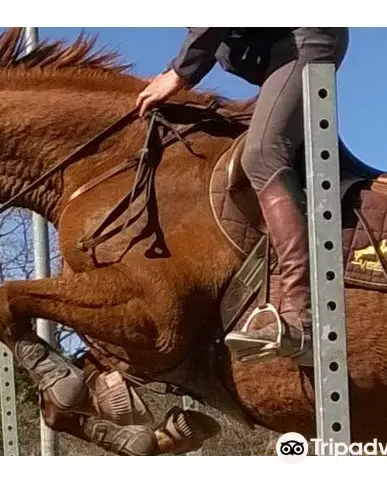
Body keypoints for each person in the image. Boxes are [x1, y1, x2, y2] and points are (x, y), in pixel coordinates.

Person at [136, 28, 349, 365]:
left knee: (262, 154)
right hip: (278, 50)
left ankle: (304, 319)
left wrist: (180, 72)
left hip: (302, 37)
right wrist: (174, 69)